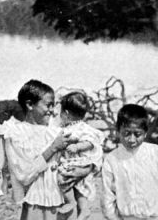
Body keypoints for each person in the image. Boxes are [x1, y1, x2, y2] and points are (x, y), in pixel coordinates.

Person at [3, 79, 94, 220]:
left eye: (53, 105)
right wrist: (52, 149)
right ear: (29, 104)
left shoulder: (56, 130)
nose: (52, 111)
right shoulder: (16, 133)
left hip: (63, 204)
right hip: (35, 205)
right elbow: (23, 174)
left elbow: (88, 153)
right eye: (48, 105)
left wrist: (84, 170)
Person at [101, 104, 158, 220]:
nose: (131, 139)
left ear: (145, 132)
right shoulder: (111, 159)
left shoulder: (156, 153)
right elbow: (107, 198)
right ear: (118, 131)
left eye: (137, 134)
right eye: (126, 133)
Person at [55, 92, 104, 220]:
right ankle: (82, 208)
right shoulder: (65, 127)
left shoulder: (81, 128)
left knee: (64, 178)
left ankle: (74, 204)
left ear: (65, 113)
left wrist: (77, 146)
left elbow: (91, 142)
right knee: (77, 188)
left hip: (79, 161)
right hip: (71, 161)